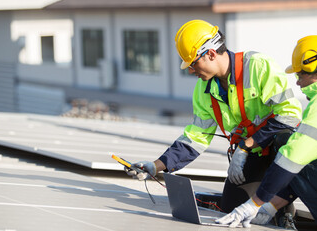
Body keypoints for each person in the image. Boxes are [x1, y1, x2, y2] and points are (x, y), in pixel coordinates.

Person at [125, 19, 302, 213]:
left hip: (281, 150)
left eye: (193, 64)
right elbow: (196, 137)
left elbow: (290, 115)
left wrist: (244, 147)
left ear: (210, 54)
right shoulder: (204, 89)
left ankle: (284, 211)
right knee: (231, 207)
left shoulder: (258, 66)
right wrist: (156, 166)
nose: (191, 71)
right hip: (253, 154)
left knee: (286, 141)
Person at [216, 34, 317, 231]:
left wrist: (255, 203)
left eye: (300, 75)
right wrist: (271, 206)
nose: (297, 83)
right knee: (293, 153)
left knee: (288, 149)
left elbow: (294, 158)